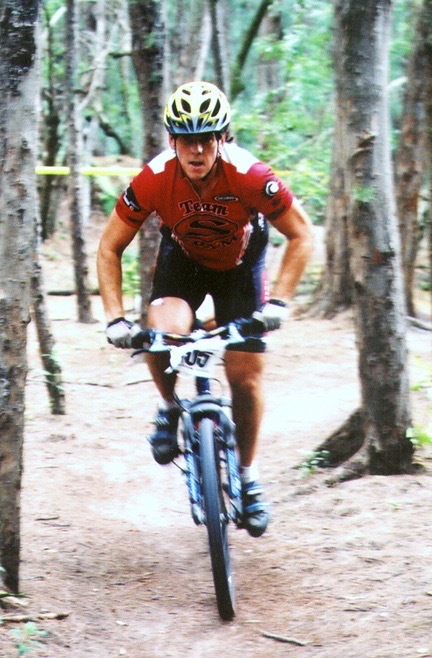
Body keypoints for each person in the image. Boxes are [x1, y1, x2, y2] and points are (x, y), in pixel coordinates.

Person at [97, 81, 314, 538]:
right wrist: (115, 317)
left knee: (245, 378)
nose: (196, 150)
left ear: (222, 138)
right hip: (185, 265)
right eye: (186, 139)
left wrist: (279, 302)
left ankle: (249, 479)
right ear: (172, 140)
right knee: (162, 335)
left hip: (241, 269)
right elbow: (109, 246)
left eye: (206, 139)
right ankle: (169, 408)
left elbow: (302, 234)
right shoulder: (154, 178)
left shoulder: (250, 174)